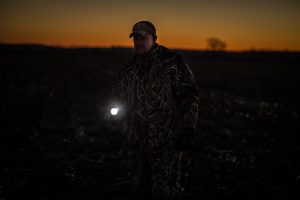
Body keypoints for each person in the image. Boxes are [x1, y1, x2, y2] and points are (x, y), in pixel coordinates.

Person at [111, 20, 199, 199]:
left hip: (166, 142)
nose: (139, 42)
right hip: (137, 143)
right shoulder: (129, 69)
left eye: (144, 38)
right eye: (136, 38)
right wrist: (117, 119)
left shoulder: (172, 63)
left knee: (165, 190)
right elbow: (117, 98)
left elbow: (190, 96)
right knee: (140, 189)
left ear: (154, 38)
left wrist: (187, 128)